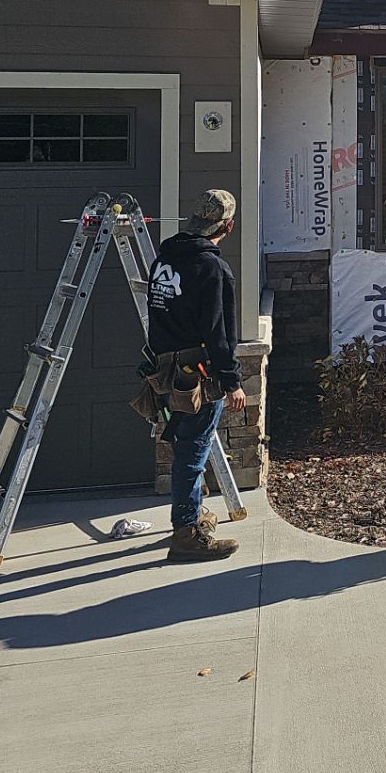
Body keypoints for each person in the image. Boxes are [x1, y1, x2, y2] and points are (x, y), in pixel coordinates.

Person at [145, 188, 247, 562]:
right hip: (196, 374)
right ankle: (186, 533)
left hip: (166, 369)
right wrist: (233, 381)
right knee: (192, 451)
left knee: (186, 444)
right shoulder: (212, 268)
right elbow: (220, 333)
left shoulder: (163, 261)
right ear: (229, 226)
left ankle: (192, 515)